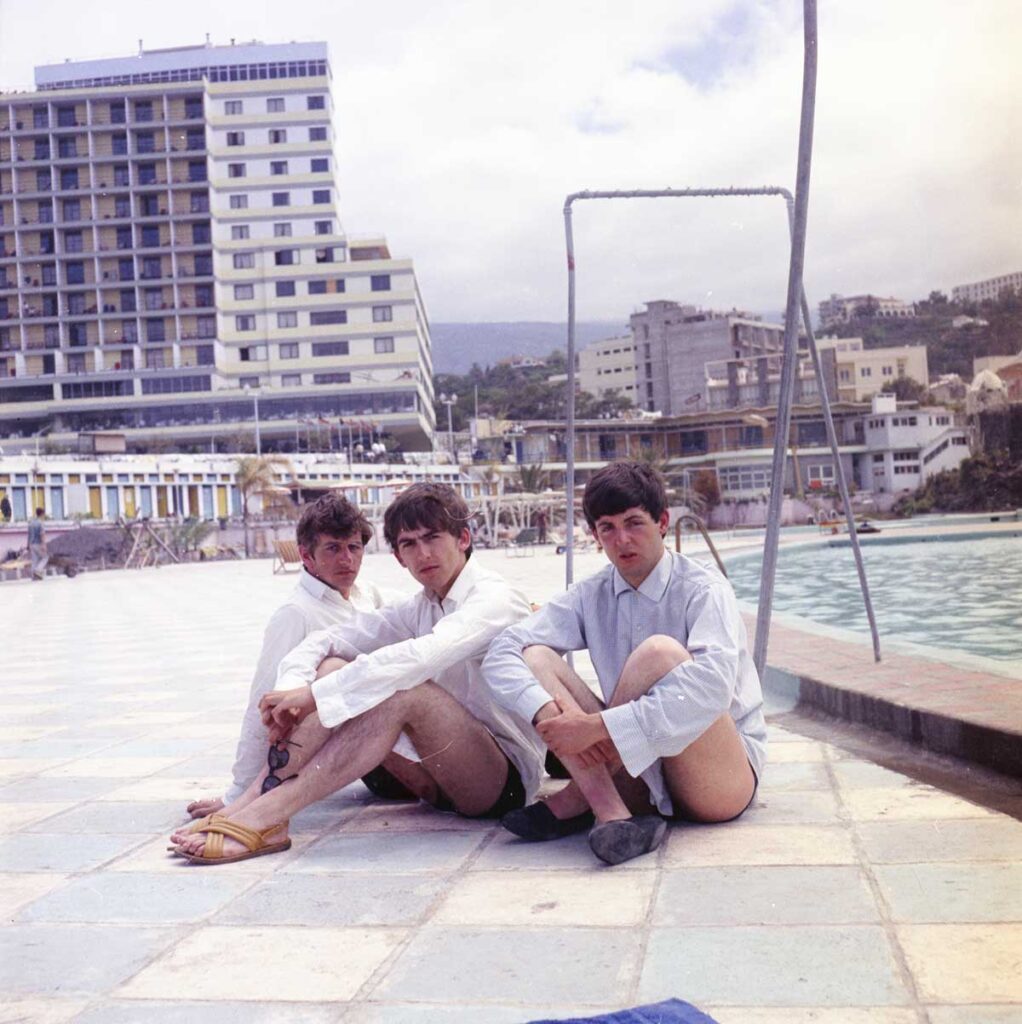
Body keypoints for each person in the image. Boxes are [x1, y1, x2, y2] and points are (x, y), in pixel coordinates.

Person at [171, 483, 543, 865]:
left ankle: (269, 814)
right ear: (398, 557)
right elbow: (328, 641)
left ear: (463, 538)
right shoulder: (421, 606)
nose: (423, 553)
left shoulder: (495, 597)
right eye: (409, 544)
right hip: (436, 777)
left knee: (404, 689)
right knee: (334, 665)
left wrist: (314, 697)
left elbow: (421, 656)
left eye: (433, 538)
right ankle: (255, 802)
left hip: (500, 782)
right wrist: (292, 689)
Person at [482, 461, 767, 865]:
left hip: (717, 781)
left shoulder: (704, 589)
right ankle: (611, 812)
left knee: (659, 653)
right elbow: (503, 650)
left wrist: (594, 728)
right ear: (596, 535)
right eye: (608, 528)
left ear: (663, 522)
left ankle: (580, 796)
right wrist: (550, 715)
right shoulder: (591, 594)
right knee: (535, 655)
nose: (623, 540)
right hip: (638, 778)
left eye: (634, 523)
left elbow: (713, 688)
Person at [177, 493, 391, 828]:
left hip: (383, 737)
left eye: (354, 547)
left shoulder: (369, 596)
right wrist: (237, 793)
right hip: (362, 753)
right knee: (331, 671)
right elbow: (262, 704)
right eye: (332, 549)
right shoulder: (296, 614)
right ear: (307, 556)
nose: (347, 559)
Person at [27, 507, 48, 581]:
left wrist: (28, 545)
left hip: (32, 544)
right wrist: (44, 545)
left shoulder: (31, 523)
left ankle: (34, 576)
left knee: (34, 560)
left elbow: (29, 535)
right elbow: (42, 534)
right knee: (45, 557)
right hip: (38, 543)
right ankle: (38, 570)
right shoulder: (40, 523)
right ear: (42, 514)